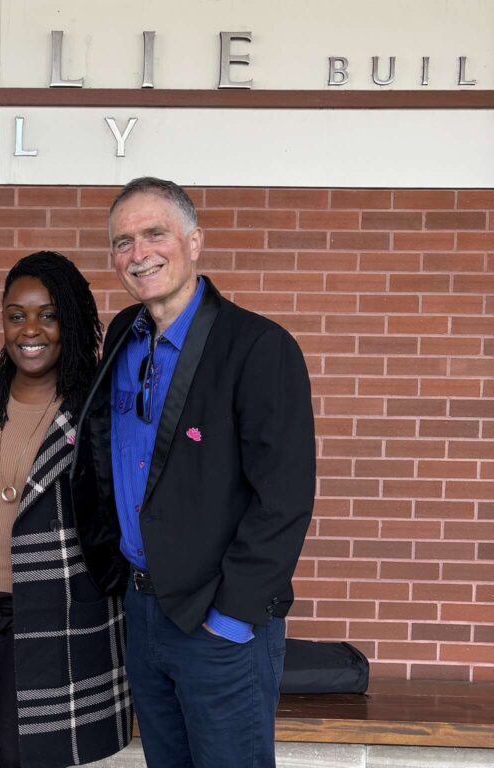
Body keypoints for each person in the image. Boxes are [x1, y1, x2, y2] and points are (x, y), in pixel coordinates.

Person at [71, 177, 316, 768]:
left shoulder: (258, 346)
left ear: (194, 241)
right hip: (144, 612)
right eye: (122, 241)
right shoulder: (125, 341)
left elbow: (283, 498)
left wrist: (229, 620)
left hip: (219, 621)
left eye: (155, 233)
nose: (139, 252)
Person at [0, 251, 133, 768]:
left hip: (62, 609)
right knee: (13, 748)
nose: (31, 329)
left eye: (47, 314)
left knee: (21, 754)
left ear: (70, 320)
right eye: (16, 314)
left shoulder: (99, 402)